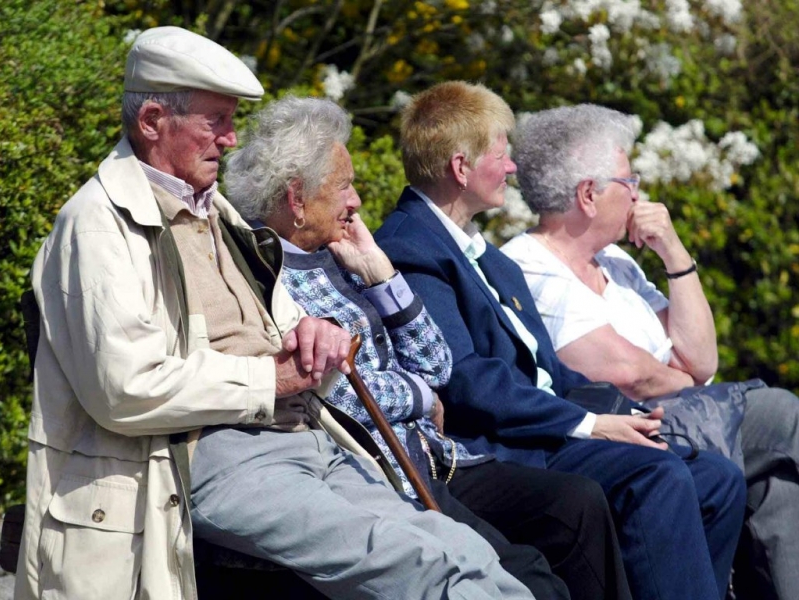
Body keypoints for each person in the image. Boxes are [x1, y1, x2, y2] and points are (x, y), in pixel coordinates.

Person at [15, 29, 536, 600]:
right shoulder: (96, 224)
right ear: (153, 121)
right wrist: (274, 376)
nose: (231, 138)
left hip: (304, 438)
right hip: (210, 453)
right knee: (421, 564)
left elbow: (272, 326)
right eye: (216, 121)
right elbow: (124, 386)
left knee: (463, 548)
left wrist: (308, 331)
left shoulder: (219, 216)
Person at [223, 94, 634, 600]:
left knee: (573, 513)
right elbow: (341, 393)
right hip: (386, 471)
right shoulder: (273, 278)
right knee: (530, 576)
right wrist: (420, 398)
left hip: (438, 456)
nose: (356, 201)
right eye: (345, 187)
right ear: (296, 199)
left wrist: (381, 275)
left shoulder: (341, 254)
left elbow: (437, 364)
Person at [374, 80, 748, 600]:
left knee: (717, 478)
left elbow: (550, 370)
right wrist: (592, 424)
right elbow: (464, 379)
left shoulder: (490, 259)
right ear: (462, 169)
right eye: (501, 155)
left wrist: (622, 412)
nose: (512, 169)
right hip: (504, 446)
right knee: (657, 477)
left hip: (548, 429)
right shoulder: (411, 248)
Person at [501, 102, 799, 600]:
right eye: (628, 180)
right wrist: (691, 382)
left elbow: (702, 359)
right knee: (782, 415)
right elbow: (632, 376)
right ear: (589, 194)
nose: (639, 194)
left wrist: (674, 253)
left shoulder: (616, 262)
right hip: (633, 426)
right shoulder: (529, 268)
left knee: (779, 484)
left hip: (684, 411)